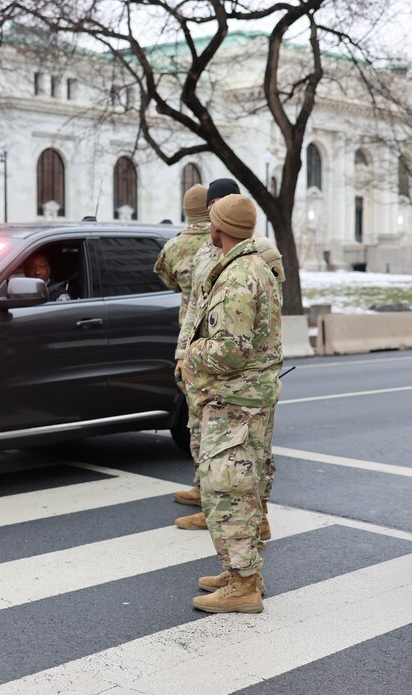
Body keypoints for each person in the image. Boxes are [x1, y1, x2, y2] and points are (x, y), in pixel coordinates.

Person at [181, 193, 282, 614]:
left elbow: (230, 350)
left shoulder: (239, 277)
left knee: (228, 491)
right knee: (242, 488)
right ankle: (243, 572)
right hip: (245, 398)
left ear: (217, 227)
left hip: (234, 399)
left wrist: (190, 354)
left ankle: (243, 586)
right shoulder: (251, 265)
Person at [164, 178, 240, 528]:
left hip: (228, 363)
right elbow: (196, 305)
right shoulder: (208, 253)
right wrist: (186, 354)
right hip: (204, 354)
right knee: (214, 438)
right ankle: (214, 502)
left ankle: (230, 514)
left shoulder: (249, 258)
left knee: (230, 447)